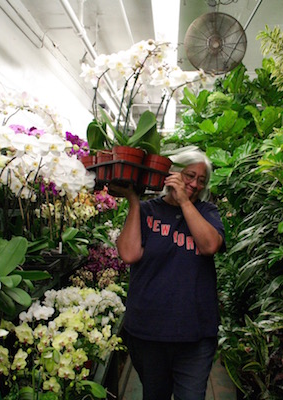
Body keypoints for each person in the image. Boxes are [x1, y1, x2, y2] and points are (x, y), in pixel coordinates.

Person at [113, 148, 226, 400]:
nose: (195, 184)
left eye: (201, 180)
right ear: (173, 173)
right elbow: (129, 254)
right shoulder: (146, 211)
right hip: (148, 332)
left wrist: (185, 201)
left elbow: (209, 246)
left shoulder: (207, 212)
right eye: (189, 175)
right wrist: (133, 201)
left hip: (195, 335)